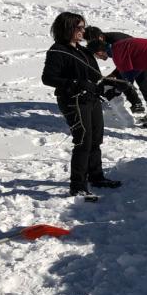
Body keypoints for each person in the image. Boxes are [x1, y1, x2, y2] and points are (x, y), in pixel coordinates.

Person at [41, 12, 122, 198]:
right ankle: (77, 185)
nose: (82, 31)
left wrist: (103, 88)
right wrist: (76, 83)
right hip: (73, 101)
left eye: (83, 27)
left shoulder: (82, 50)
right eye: (79, 28)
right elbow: (48, 78)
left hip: (91, 99)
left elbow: (93, 75)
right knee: (83, 141)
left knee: (96, 139)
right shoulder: (57, 51)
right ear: (67, 28)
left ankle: (96, 177)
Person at [88, 37, 147, 141]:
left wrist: (115, 91)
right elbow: (128, 70)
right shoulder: (117, 48)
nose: (98, 58)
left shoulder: (118, 54)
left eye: (95, 56)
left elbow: (127, 81)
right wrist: (114, 78)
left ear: (99, 52)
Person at [82, 26, 147, 115]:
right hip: (130, 60)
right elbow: (121, 64)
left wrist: (116, 90)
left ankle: (142, 107)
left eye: (94, 41)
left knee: (143, 86)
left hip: (142, 59)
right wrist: (114, 73)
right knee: (115, 79)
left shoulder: (116, 42)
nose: (94, 44)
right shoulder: (106, 44)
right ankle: (136, 103)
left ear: (100, 37)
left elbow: (125, 69)